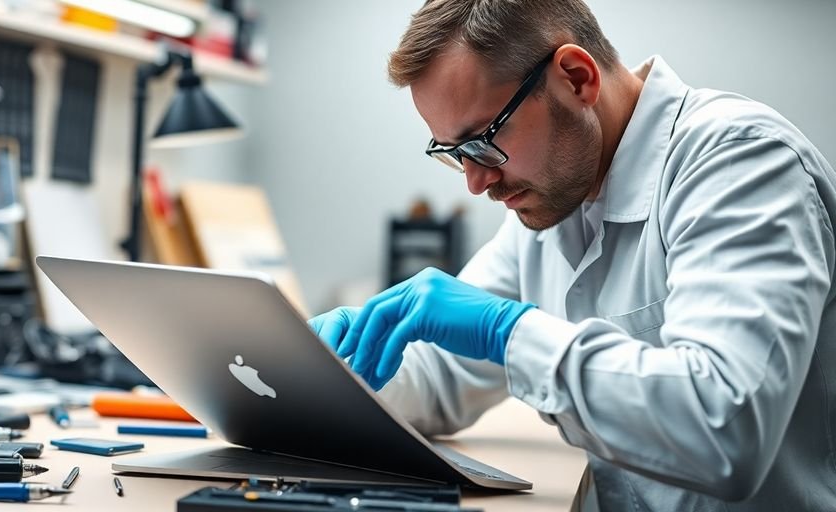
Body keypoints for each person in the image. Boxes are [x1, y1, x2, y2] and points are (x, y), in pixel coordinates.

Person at [308, 0, 836, 510]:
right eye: (454, 152)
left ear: (577, 78)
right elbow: (440, 374)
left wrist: (508, 331)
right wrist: (313, 377)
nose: (475, 181)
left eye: (482, 140)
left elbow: (725, 427)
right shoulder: (552, 202)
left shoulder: (740, 164)